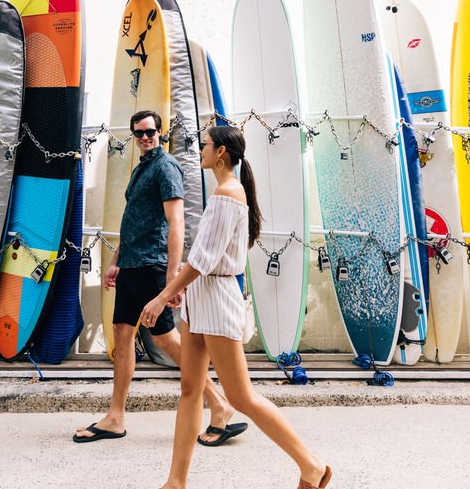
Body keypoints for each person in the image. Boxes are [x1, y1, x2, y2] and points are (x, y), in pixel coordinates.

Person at [140, 125, 332, 489]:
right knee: (189, 390)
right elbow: (201, 258)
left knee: (241, 395)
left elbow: (206, 259)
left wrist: (164, 295)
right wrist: (183, 285)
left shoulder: (228, 194)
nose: (201, 151)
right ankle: (175, 482)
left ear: (222, 153)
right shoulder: (223, 193)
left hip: (216, 298)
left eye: (206, 145)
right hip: (201, 297)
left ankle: (311, 465)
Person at [74, 110, 243, 445]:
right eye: (138, 133)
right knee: (122, 336)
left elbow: (176, 222)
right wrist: (116, 261)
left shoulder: (166, 167)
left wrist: (170, 278)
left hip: (152, 265)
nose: (144, 138)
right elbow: (133, 219)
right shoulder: (142, 167)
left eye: (149, 132)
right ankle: (115, 417)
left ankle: (219, 402)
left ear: (160, 132)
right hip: (132, 266)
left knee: (167, 340)